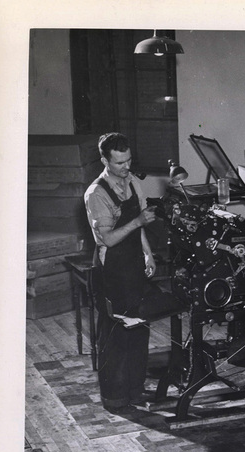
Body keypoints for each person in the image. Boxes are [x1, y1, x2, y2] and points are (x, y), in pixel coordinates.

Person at [84, 132, 158, 411]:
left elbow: (138, 229)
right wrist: (138, 221)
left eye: (128, 161)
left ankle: (136, 390)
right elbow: (109, 239)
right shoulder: (97, 193)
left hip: (134, 267)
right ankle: (115, 398)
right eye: (119, 163)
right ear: (104, 160)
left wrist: (148, 254)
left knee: (139, 329)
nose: (126, 167)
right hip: (111, 270)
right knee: (115, 336)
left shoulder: (132, 182)